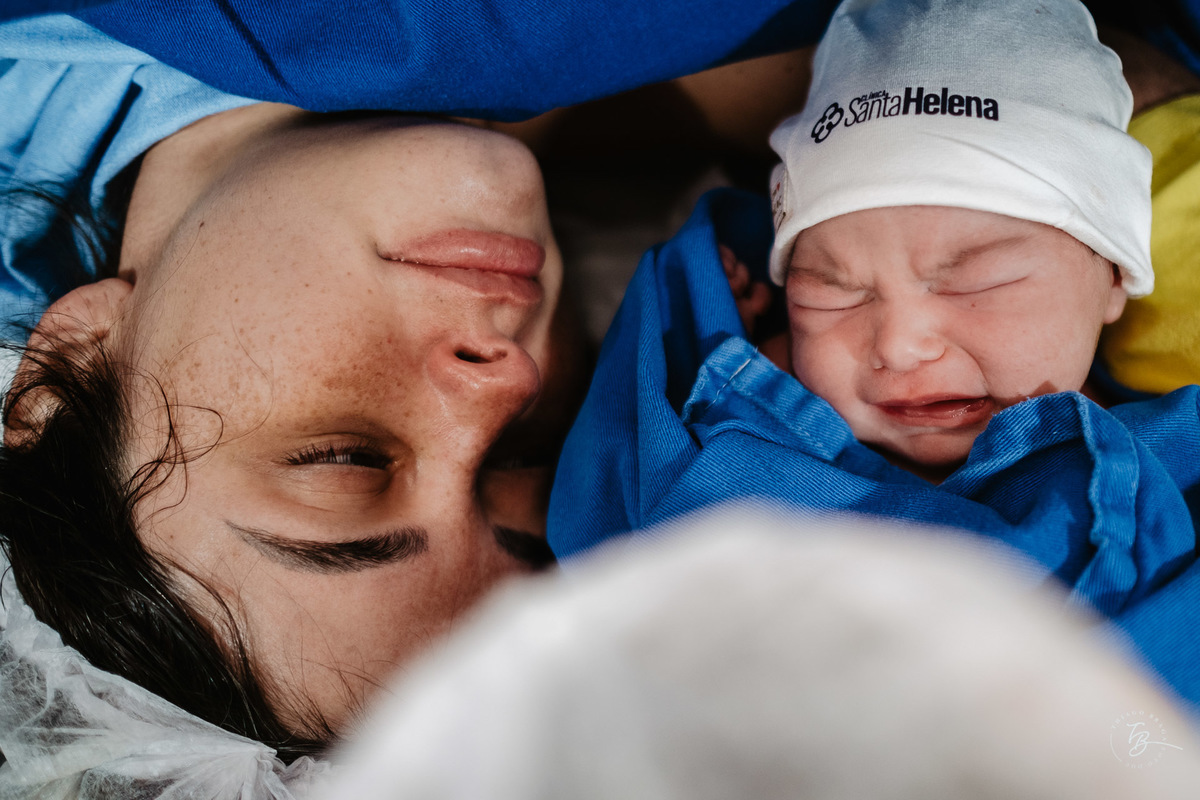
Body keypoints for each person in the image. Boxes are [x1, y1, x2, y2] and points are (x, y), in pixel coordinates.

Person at [548, 0, 1200, 712]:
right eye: (829, 294)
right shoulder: (720, 423)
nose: (899, 343)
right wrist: (745, 375)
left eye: (975, 278)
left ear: (1112, 276)